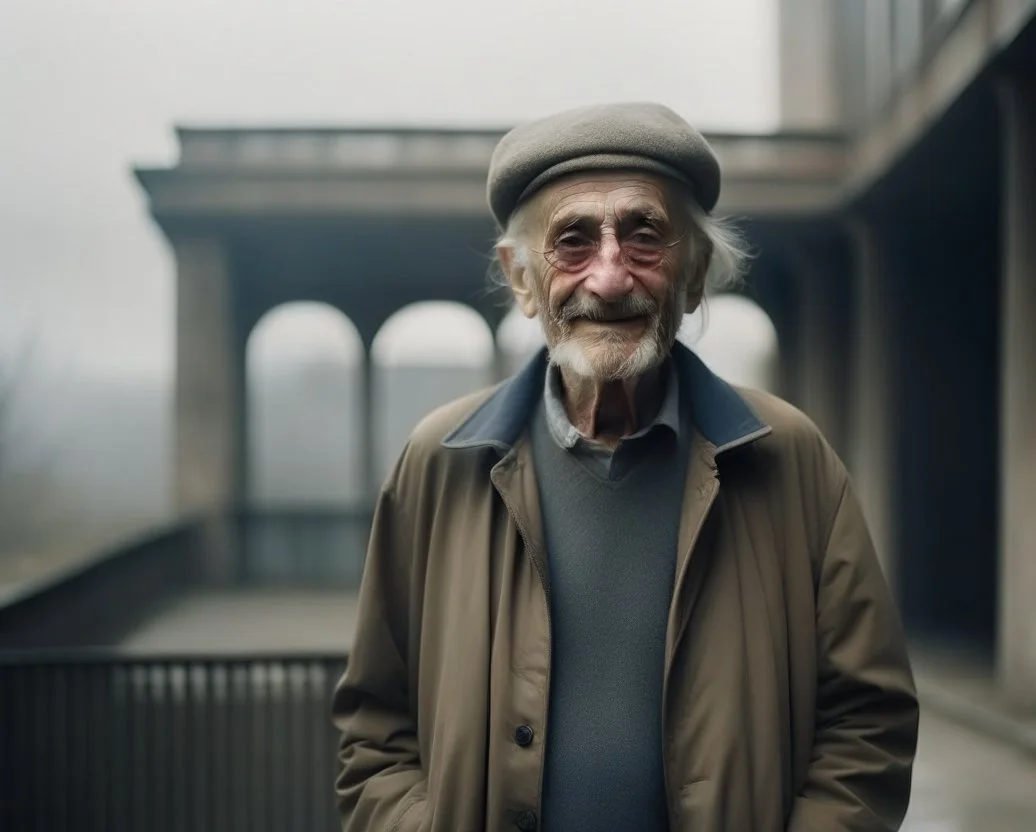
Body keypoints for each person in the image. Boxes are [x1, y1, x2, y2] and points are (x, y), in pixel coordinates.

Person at [332, 102, 919, 832]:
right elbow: (374, 729)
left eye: (644, 236)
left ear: (695, 272)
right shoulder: (437, 465)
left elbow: (870, 722)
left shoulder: (789, 457)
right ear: (520, 279)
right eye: (571, 242)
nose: (609, 279)